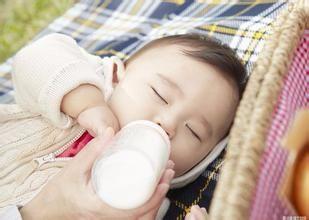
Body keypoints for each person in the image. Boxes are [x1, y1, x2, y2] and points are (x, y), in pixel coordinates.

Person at [0, 32, 246, 219]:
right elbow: (38, 55)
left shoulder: (143, 202)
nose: (168, 124)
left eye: (194, 131)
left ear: (199, 163)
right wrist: (86, 103)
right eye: (160, 94)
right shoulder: (80, 91)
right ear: (116, 76)